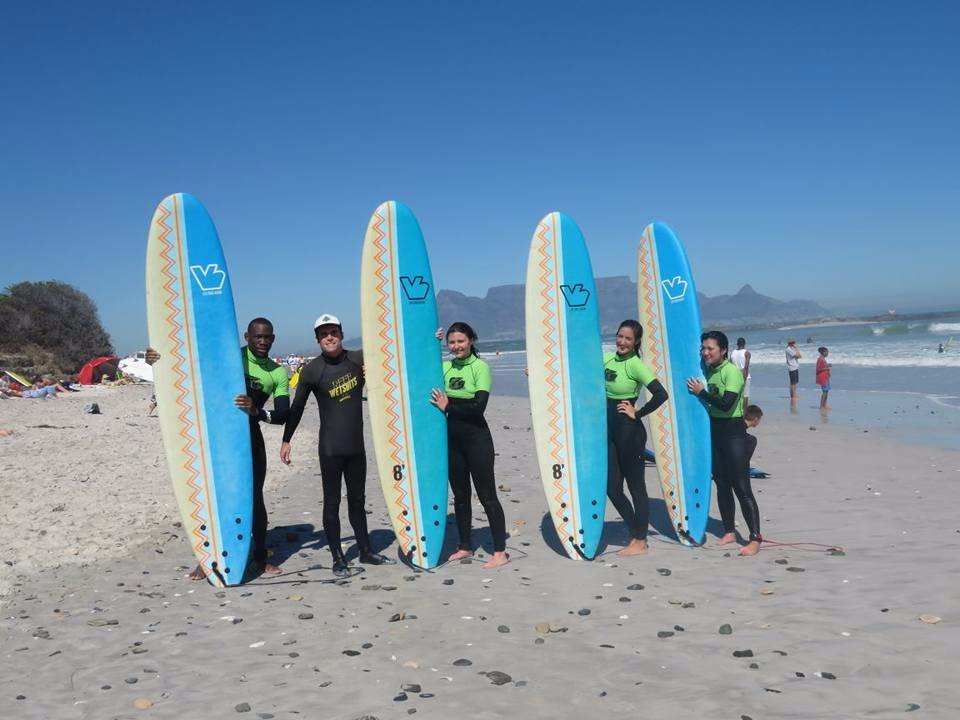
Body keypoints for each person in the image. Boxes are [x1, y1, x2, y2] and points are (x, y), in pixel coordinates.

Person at [146, 317, 290, 579]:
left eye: (267, 337)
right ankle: (207, 559)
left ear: (273, 339)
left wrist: (256, 410)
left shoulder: (277, 372)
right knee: (217, 497)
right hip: (220, 437)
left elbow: (282, 414)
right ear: (246, 337)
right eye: (257, 336)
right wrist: (158, 360)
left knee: (255, 498)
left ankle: (258, 559)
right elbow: (188, 367)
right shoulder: (230, 358)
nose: (262, 341)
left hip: (250, 437)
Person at [280, 314, 390, 578]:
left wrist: (431, 339)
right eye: (323, 334)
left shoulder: (359, 360)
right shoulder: (312, 370)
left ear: (341, 334)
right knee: (331, 504)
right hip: (330, 448)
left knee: (358, 501)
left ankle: (365, 550)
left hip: (356, 447)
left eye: (333, 332)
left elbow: (392, 353)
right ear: (317, 339)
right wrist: (286, 440)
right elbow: (297, 408)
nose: (329, 337)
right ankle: (338, 558)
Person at [429, 322, 509, 568]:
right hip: (452, 441)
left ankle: (500, 552)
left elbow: (478, 407)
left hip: (477, 440)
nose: (456, 346)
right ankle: (465, 546)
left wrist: (448, 407)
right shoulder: (444, 367)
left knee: (487, 496)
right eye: (451, 342)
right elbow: (421, 366)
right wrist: (432, 342)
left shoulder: (480, 368)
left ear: (471, 340)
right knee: (460, 496)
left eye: (461, 341)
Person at [687, 331, 762, 556]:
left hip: (733, 434)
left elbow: (727, 404)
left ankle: (755, 538)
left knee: (742, 487)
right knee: (721, 483)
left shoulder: (732, 373)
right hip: (715, 433)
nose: (706, 352)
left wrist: (702, 392)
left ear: (723, 350)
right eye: (703, 348)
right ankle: (729, 530)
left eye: (710, 348)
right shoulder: (707, 371)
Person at [602, 320, 668, 555]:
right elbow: (578, 375)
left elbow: (661, 394)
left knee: (636, 486)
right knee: (612, 488)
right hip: (609, 430)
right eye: (620, 336)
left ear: (636, 342)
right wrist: (539, 374)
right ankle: (636, 531)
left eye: (628, 339)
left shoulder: (635, 365)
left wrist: (637, 412)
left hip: (629, 432)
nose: (622, 341)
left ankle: (639, 540)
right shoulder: (607, 359)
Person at [729, 337, 752, 409]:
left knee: (737, 394)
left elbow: (730, 365)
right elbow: (746, 367)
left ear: (737, 344)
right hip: (744, 376)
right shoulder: (747, 353)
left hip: (735, 376)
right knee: (745, 396)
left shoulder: (733, 352)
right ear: (744, 344)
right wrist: (744, 379)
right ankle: (744, 412)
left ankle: (737, 409)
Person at [785, 338, 801, 412]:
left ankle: (794, 394)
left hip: (795, 366)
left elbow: (799, 355)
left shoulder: (792, 349)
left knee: (795, 382)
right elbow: (798, 356)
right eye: (792, 343)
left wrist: (796, 349)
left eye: (794, 342)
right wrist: (797, 349)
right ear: (790, 343)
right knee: (792, 383)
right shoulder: (788, 349)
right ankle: (792, 396)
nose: (794, 344)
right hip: (792, 367)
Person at [815, 346, 831, 410]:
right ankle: (821, 406)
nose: (828, 353)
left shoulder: (823, 359)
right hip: (822, 377)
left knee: (826, 391)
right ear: (823, 352)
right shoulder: (820, 359)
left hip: (826, 377)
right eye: (827, 352)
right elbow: (818, 369)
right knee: (824, 391)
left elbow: (823, 366)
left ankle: (824, 405)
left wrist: (827, 365)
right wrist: (827, 368)